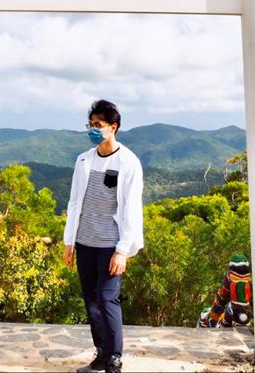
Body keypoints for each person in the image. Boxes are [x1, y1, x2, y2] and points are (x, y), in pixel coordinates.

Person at [63, 100, 144, 373]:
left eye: (98, 125)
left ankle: (114, 359)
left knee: (108, 298)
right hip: (85, 242)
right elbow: (74, 202)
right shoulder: (83, 160)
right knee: (92, 300)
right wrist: (68, 242)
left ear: (113, 127)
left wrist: (123, 250)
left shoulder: (128, 162)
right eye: (91, 125)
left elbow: (131, 209)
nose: (93, 130)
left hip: (110, 244)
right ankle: (101, 353)